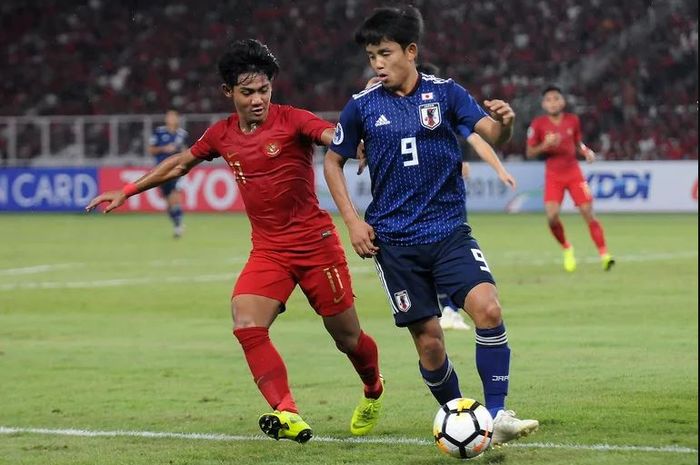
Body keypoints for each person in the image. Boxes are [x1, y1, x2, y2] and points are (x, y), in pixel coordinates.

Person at [86, 39, 384, 443]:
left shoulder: (292, 119)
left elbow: (329, 134)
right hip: (269, 251)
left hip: (316, 245)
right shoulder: (221, 134)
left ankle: (373, 388)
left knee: (347, 339)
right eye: (248, 92)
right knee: (246, 323)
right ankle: (286, 411)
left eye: (264, 90)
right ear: (228, 93)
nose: (258, 99)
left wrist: (351, 141)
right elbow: (180, 162)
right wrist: (129, 189)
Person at [324, 6, 538, 446]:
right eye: (371, 57)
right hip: (395, 244)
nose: (378, 63)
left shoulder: (446, 94)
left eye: (385, 53)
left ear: (411, 51)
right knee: (431, 346)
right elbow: (332, 161)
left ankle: (495, 415)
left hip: (448, 234)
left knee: (489, 309)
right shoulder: (362, 106)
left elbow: (490, 135)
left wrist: (506, 125)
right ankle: (463, 420)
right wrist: (352, 221)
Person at [526, 85, 615, 272]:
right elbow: (530, 152)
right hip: (553, 174)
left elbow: (577, 142)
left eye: (556, 98)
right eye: (548, 100)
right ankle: (567, 247)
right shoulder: (538, 124)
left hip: (573, 172)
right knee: (551, 217)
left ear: (563, 101)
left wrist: (586, 151)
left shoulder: (572, 120)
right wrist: (544, 145)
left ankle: (604, 254)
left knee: (587, 211)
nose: (553, 103)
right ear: (543, 104)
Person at [148, 110, 188, 238]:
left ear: (177, 119)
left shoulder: (183, 135)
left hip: (176, 169)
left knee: (175, 195)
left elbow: (188, 152)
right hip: (160, 170)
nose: (171, 118)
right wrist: (164, 149)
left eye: (173, 116)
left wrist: (181, 151)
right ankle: (177, 222)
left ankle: (179, 226)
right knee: (168, 201)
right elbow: (151, 149)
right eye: (169, 116)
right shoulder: (159, 132)